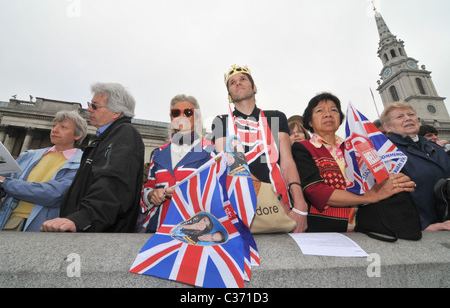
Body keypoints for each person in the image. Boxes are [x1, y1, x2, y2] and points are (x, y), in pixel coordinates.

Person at [292, 93, 416, 232]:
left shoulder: (355, 147)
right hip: (324, 227)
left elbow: (374, 180)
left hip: (367, 223)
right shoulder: (303, 147)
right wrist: (369, 196)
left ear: (340, 118)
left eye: (334, 110)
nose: (328, 114)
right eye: (320, 111)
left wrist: (393, 182)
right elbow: (315, 190)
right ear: (309, 122)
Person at [211, 64, 308, 233]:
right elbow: (232, 165)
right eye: (232, 83)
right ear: (229, 95)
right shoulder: (221, 121)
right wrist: (272, 199)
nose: (238, 83)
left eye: (243, 79)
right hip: (240, 205)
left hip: (283, 205)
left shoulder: (276, 117)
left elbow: (286, 162)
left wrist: (300, 205)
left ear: (254, 87)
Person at [41, 82, 145, 232]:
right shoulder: (105, 138)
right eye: (90, 104)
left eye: (95, 106)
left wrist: (81, 219)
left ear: (116, 112)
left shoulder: (124, 134)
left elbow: (113, 185)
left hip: (97, 232)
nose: (88, 109)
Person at [0, 110, 87, 231]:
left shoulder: (81, 164)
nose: (55, 130)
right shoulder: (28, 155)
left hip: (44, 226)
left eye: (63, 127)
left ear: (77, 135)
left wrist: (5, 183)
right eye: (54, 126)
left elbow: (53, 194)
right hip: (9, 219)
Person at [140, 94, 215, 233]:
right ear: (171, 119)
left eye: (188, 112)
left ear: (197, 118)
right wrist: (151, 196)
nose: (181, 117)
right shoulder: (158, 153)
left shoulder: (211, 152)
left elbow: (219, 193)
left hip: (195, 232)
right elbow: (147, 189)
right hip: (157, 229)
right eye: (176, 113)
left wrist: (187, 193)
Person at [380, 101, 450, 231]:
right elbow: (389, 197)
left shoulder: (436, 148)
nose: (407, 118)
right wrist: (424, 225)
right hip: (423, 228)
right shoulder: (387, 154)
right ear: (387, 127)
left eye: (411, 114)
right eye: (399, 116)